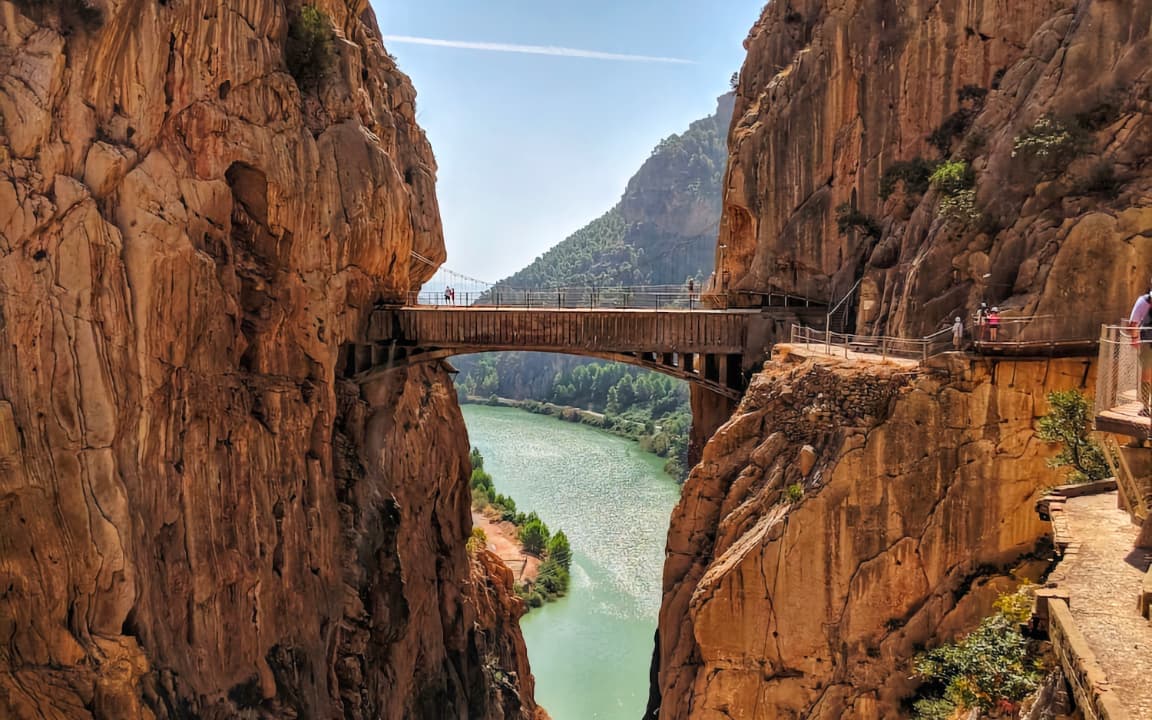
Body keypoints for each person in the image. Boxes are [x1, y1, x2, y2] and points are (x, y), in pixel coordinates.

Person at [1129, 281, 1152, 414]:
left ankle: (1145, 407)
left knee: (1147, 375)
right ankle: (1145, 406)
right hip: (1147, 342)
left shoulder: (1143, 301)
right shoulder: (1144, 302)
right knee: (1147, 375)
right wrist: (1135, 338)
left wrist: (1134, 338)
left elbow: (1133, 323)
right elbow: (1134, 323)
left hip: (1146, 341)